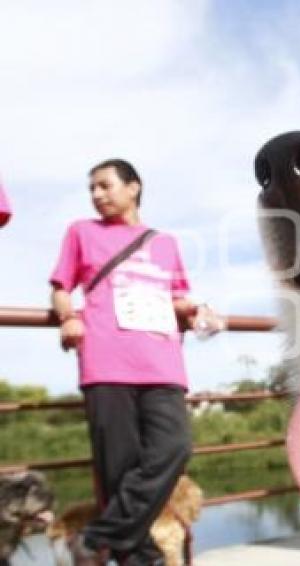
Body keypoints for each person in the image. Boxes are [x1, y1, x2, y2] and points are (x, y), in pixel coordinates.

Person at [49, 159, 222, 565]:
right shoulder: (81, 232)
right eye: (91, 188)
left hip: (162, 363)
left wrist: (199, 313)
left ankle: (97, 537)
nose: (97, 195)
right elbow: (61, 287)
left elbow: (178, 298)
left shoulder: (163, 242)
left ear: (133, 187)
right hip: (106, 362)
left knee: (174, 447)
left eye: (105, 185)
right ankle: (143, 557)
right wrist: (69, 316)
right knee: (118, 469)